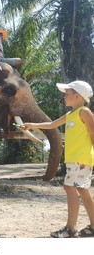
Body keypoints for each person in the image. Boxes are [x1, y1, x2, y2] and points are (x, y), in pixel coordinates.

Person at [23, 80, 94, 238]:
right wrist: (31, 125)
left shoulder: (84, 112)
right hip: (74, 158)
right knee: (82, 190)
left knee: (70, 188)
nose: (64, 97)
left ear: (77, 96)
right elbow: (52, 124)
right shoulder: (70, 114)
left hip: (81, 159)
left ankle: (70, 228)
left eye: (67, 94)